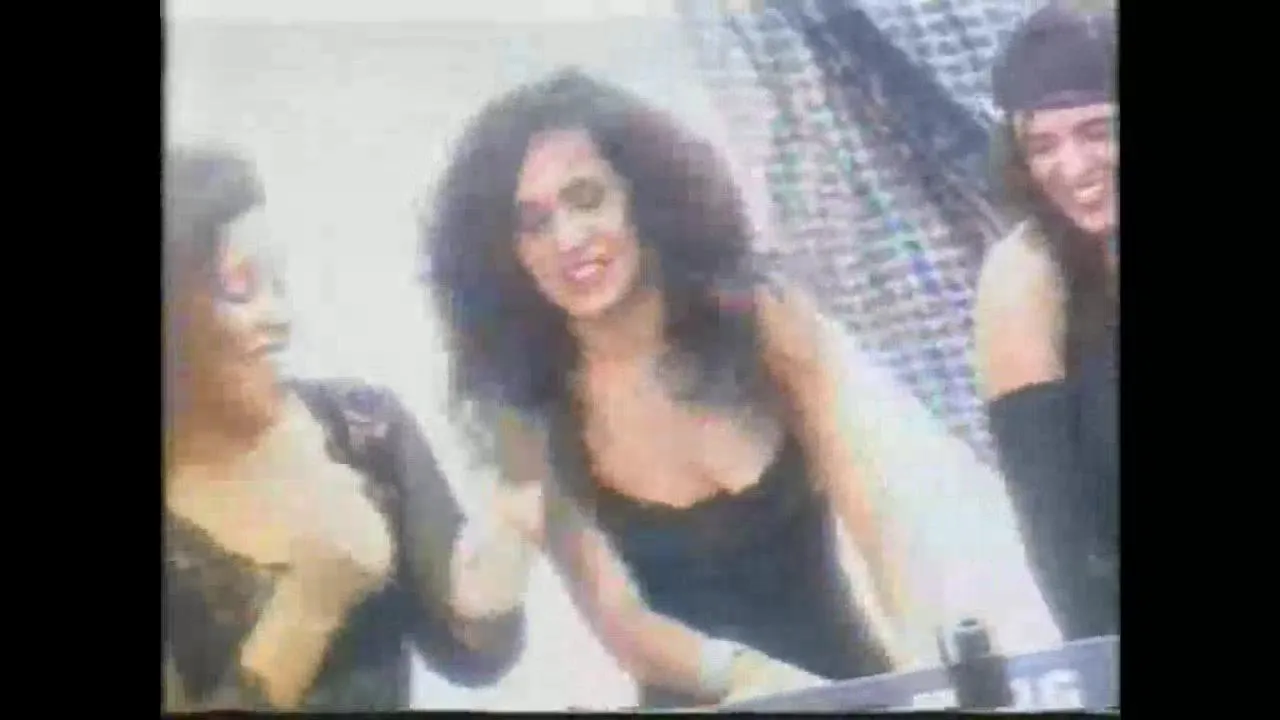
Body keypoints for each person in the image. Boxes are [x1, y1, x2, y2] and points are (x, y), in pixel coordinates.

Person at [422, 69, 912, 709]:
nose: (569, 240)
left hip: (853, 690)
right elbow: (624, 625)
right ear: (504, 254)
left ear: (642, 197)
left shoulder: (760, 319)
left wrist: (929, 660)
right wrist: (754, 679)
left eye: (586, 198)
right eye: (533, 224)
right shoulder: (530, 412)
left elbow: (872, 510)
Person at [162, 146, 530, 710]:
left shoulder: (364, 426)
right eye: (240, 286)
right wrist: (310, 603)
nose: (281, 318)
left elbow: (469, 657)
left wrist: (500, 571)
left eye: (279, 282)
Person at [973, 2, 1118, 642]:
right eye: (1043, 145)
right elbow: (1061, 549)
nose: (1075, 168)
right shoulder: (1025, 280)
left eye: (1097, 131)